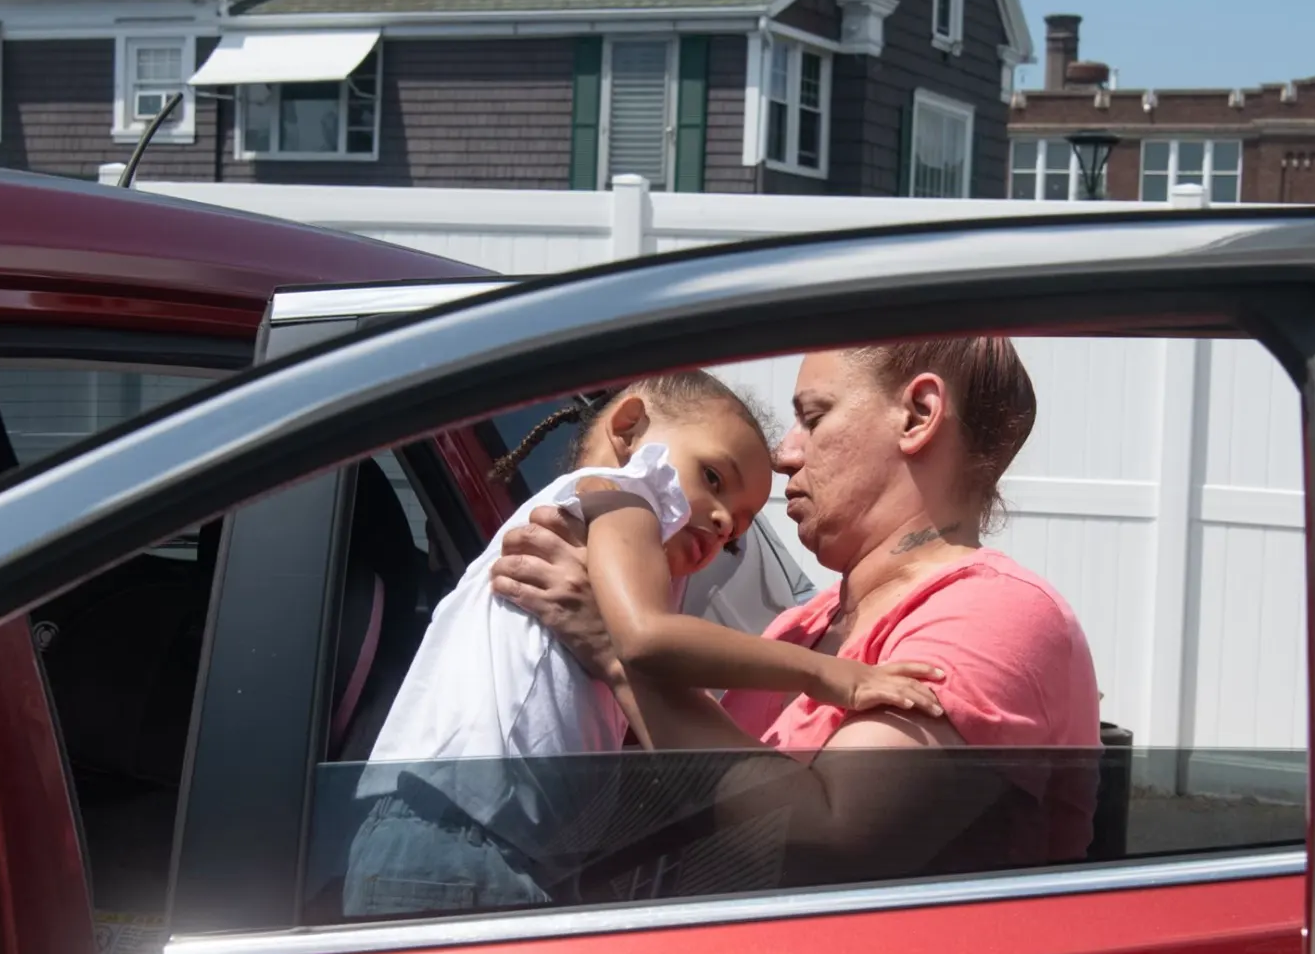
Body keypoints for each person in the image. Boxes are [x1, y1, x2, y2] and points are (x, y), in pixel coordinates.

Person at [493, 339, 1104, 884]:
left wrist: (614, 647)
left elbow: (828, 842)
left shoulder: (995, 614)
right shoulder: (800, 628)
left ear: (918, 415)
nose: (785, 454)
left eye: (813, 417)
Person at [345, 371, 948, 917]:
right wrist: (830, 675)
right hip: (457, 844)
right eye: (713, 478)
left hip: (476, 842)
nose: (722, 523)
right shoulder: (620, 492)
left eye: (736, 533)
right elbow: (646, 638)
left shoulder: (616, 540)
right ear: (629, 429)